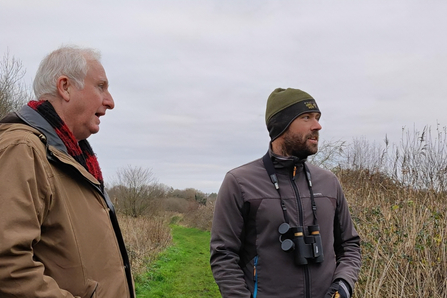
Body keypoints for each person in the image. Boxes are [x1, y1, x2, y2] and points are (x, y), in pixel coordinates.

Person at [0, 46, 135, 298]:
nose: (110, 101)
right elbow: (7, 266)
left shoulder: (71, 156)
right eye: (101, 86)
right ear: (65, 87)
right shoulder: (22, 150)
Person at [210, 88, 361, 298]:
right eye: (306, 117)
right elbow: (223, 254)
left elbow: (349, 244)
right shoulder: (240, 182)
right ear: (281, 125)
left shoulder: (328, 182)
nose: (317, 126)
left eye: (317, 118)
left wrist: (343, 285)